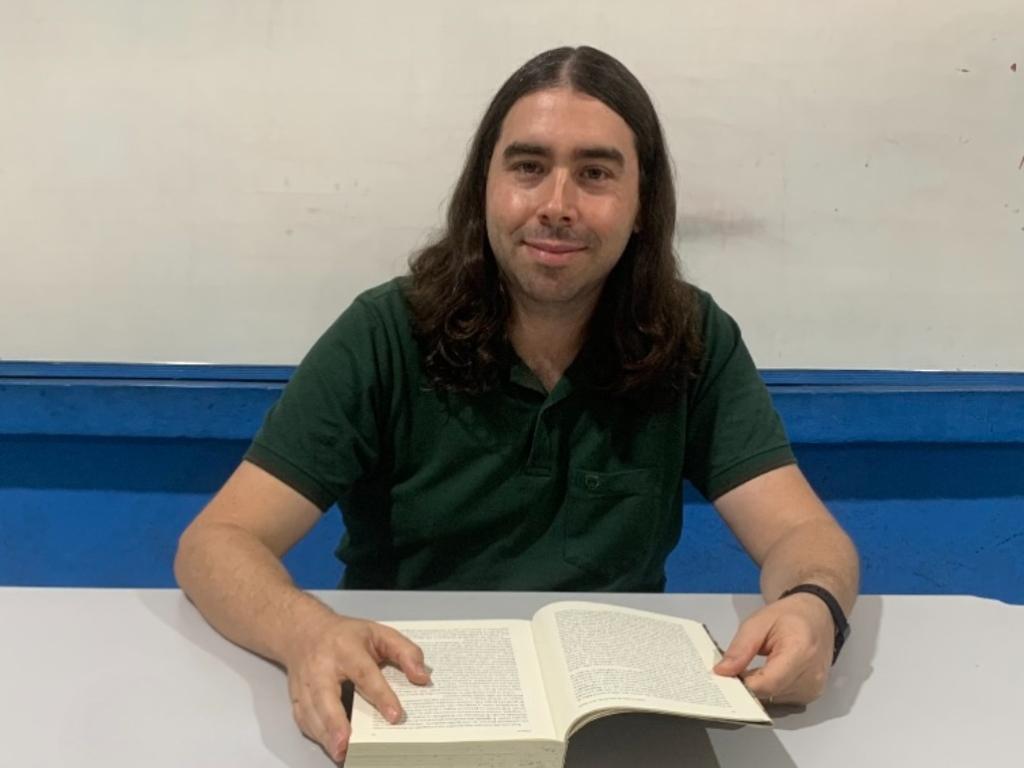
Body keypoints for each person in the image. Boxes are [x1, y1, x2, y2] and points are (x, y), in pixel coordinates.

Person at [174, 45, 859, 764]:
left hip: (619, 723)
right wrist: (306, 632)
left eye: (595, 173)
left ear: (642, 205)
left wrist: (814, 606)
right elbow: (215, 542)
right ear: (484, 188)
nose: (556, 205)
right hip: (410, 709)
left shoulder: (693, 337)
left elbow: (803, 533)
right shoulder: (384, 334)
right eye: (528, 167)